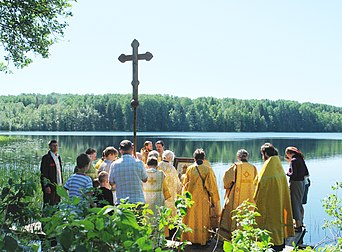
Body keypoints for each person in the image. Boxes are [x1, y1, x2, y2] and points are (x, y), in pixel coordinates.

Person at [254, 143, 294, 251]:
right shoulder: (278, 165)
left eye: (262, 154)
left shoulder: (268, 168)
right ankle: (279, 243)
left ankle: (268, 244)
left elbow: (259, 185)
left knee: (268, 223)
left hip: (269, 204)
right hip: (279, 202)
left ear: (265, 154)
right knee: (278, 221)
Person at [181, 148, 221, 246]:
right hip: (203, 199)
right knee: (202, 218)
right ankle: (202, 239)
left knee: (192, 218)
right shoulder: (207, 169)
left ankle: (191, 238)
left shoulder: (190, 169)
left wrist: (183, 199)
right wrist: (215, 200)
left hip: (191, 198)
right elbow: (212, 187)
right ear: (204, 158)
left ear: (194, 158)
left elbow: (185, 184)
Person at [218, 149, 258, 240]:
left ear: (238, 157)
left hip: (235, 197)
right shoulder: (253, 168)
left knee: (231, 214)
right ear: (247, 157)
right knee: (249, 213)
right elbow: (257, 182)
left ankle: (230, 236)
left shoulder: (235, 167)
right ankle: (247, 236)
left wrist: (228, 187)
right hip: (250, 197)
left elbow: (226, 181)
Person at [109, 140, 148, 204]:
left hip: (122, 201)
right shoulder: (139, 163)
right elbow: (145, 179)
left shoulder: (114, 164)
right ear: (132, 149)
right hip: (138, 200)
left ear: (120, 150)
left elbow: (111, 182)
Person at [285, 146, 309, 232]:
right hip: (302, 182)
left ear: (289, 153)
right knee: (299, 203)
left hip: (296, 183)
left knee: (295, 203)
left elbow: (293, 174)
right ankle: (301, 222)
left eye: (287, 155)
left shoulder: (294, 160)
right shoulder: (300, 159)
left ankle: (298, 226)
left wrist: (287, 173)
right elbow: (305, 172)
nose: (287, 156)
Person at [158, 150, 182, 216]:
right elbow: (176, 182)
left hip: (160, 191)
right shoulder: (172, 168)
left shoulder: (158, 165)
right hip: (170, 194)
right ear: (171, 158)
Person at [40, 139, 63, 206]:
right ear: (49, 147)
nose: (55, 147)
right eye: (53, 146)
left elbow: (59, 172)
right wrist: (46, 186)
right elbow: (43, 173)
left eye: (56, 145)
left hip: (58, 185)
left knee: (57, 203)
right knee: (49, 204)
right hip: (50, 185)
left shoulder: (58, 157)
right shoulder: (46, 158)